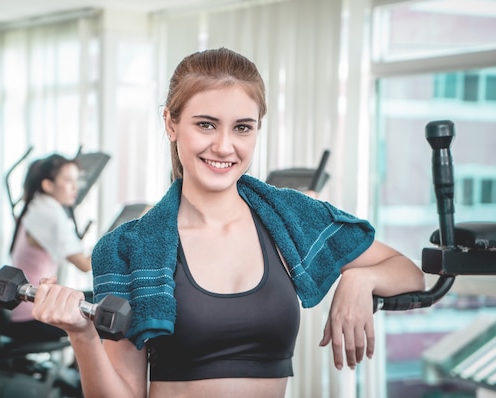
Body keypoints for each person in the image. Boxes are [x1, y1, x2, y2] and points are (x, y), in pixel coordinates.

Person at [31, 48, 425, 397]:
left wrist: (360, 279)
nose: (224, 146)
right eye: (205, 124)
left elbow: (408, 272)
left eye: (242, 127)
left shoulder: (289, 220)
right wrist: (81, 335)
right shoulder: (127, 248)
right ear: (171, 124)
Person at [7, 153, 92, 343]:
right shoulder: (49, 214)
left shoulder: (36, 206)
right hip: (32, 317)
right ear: (48, 185)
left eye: (76, 180)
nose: (75, 187)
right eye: (68, 180)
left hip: (26, 308)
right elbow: (85, 265)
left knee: (91, 300)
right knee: (102, 308)